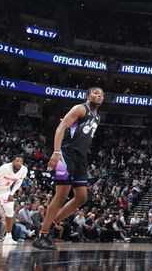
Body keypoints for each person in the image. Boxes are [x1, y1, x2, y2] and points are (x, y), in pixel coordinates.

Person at [33, 87, 103, 250]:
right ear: (88, 96)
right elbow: (61, 127)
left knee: (81, 197)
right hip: (66, 153)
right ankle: (42, 234)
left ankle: (49, 225)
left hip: (80, 158)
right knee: (62, 193)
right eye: (95, 93)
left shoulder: (97, 117)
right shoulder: (80, 108)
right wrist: (56, 151)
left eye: (101, 95)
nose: (99, 96)